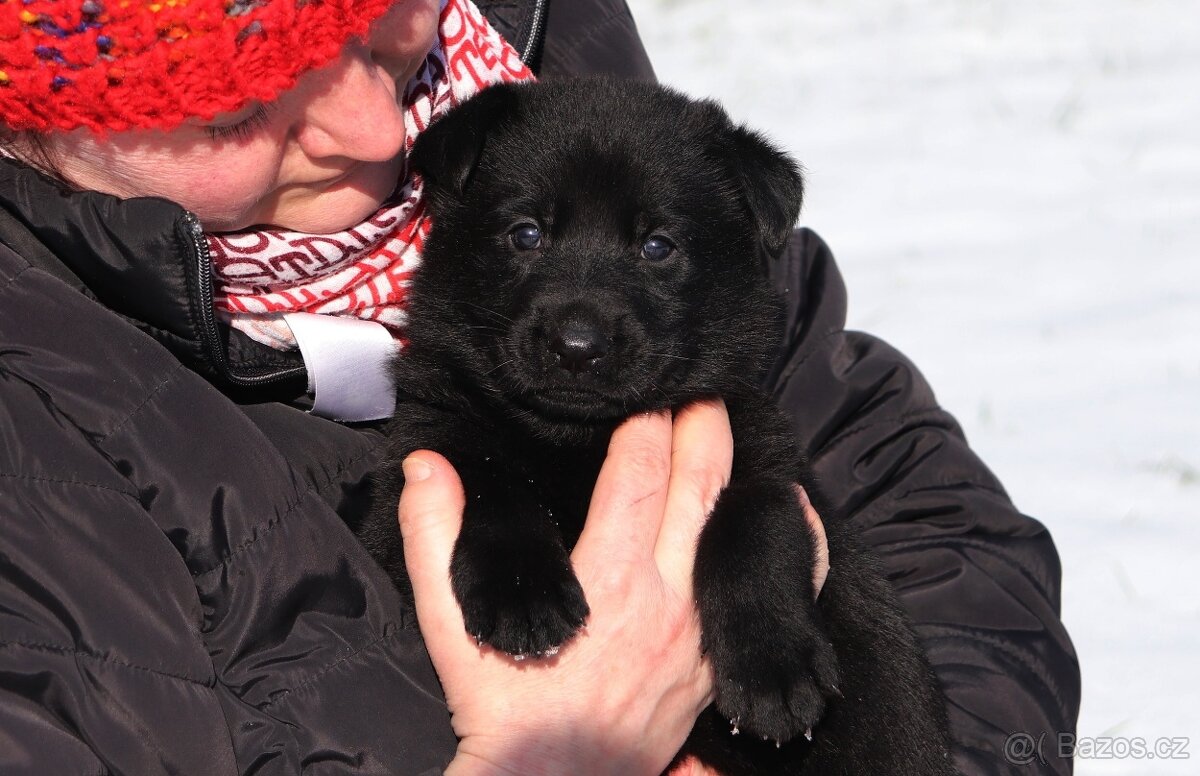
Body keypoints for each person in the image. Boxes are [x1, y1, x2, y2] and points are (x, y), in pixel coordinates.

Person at [0, 0, 1080, 774]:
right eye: (242, 108)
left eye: (382, 17)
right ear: (41, 127)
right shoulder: (41, 450)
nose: (386, 132)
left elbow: (946, 546)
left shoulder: (571, 98)